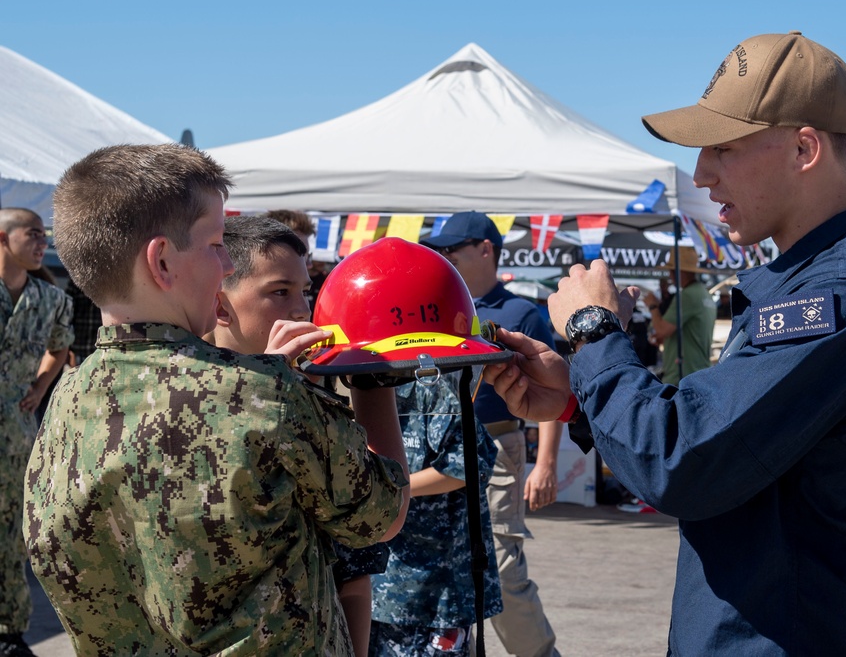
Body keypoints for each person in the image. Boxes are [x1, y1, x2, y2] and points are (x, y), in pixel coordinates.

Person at [484, 32, 846, 655]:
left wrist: (593, 332)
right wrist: (577, 399)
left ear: (805, 148)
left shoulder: (845, 294)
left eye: (723, 147)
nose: (703, 173)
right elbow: (737, 446)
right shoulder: (823, 280)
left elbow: (683, 461)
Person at [22, 143, 410, 656]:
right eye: (215, 243)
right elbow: (383, 512)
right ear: (161, 261)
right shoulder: (263, 394)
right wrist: (371, 383)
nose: (227, 262)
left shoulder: (67, 401)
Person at [209, 213, 390, 657]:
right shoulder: (194, 397)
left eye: (304, 291)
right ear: (219, 304)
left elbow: (355, 568)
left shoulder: (304, 392)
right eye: (279, 292)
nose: (301, 310)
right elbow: (384, 514)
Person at [422, 211, 561, 657]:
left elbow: (553, 394)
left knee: (501, 567)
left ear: (486, 249)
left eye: (452, 250)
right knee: (438, 561)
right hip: (438, 446)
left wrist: (546, 465)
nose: (444, 258)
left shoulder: (521, 312)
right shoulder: (437, 309)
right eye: (439, 251)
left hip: (499, 443)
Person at [369, 374, 503, 656]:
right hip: (378, 586)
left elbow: (470, 463)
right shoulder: (346, 383)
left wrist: (391, 490)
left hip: (434, 590)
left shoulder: (428, 388)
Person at [0, 208, 73, 657]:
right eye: (33, 234)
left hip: (15, 434)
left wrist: (40, 386)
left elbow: (60, 346)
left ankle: (9, 629)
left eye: (44, 235)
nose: (42, 242)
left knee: (12, 533)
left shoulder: (52, 299)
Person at [642, 246, 718, 384]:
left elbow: (661, 330)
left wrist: (653, 306)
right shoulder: (704, 294)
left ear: (679, 271)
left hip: (681, 377)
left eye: (671, 270)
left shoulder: (687, 296)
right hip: (698, 372)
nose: (670, 275)